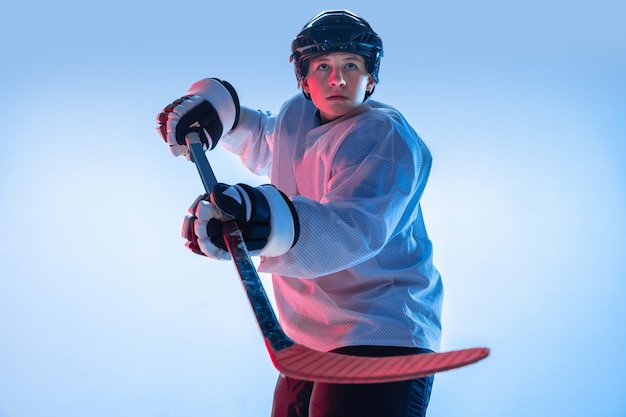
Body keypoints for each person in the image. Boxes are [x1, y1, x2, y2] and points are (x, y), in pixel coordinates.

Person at [156, 9, 443, 417]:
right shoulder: (297, 115)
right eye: (323, 65)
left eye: (351, 66)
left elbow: (353, 228)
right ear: (303, 78)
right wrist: (224, 116)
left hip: (381, 332)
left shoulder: (385, 135)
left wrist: (262, 219)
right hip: (310, 336)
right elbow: (270, 143)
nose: (337, 79)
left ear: (371, 79)